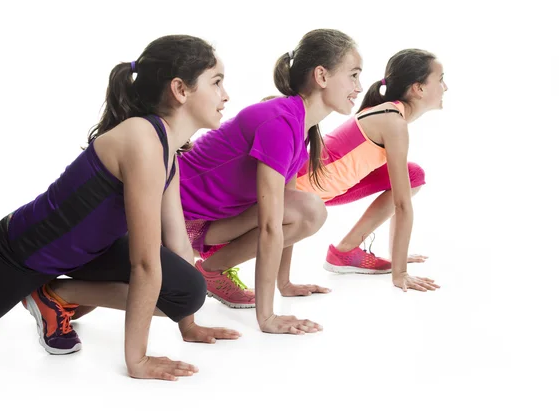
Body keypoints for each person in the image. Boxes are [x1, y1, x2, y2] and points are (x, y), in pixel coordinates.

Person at [0, 34, 239, 381]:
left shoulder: (168, 149)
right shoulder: (141, 140)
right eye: (216, 82)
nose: (225, 95)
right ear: (180, 89)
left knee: (188, 291)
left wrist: (189, 325)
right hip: (22, 254)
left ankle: (41, 291)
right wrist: (137, 360)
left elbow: (178, 242)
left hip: (89, 251)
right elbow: (145, 262)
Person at [179, 29, 362, 334]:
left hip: (209, 224)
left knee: (308, 209)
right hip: (175, 220)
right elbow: (269, 225)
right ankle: (212, 270)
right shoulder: (279, 123)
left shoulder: (298, 129)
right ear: (322, 76)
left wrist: (285, 283)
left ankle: (211, 272)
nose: (358, 87)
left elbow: (284, 214)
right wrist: (267, 317)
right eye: (354, 75)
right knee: (309, 209)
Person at [297, 48, 446, 292]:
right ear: (418, 88)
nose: (445, 87)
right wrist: (400, 273)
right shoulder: (393, 121)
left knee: (413, 175)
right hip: (305, 188)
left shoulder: (392, 113)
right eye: (440, 80)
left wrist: (397, 253)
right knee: (407, 185)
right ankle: (345, 251)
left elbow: (403, 190)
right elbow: (402, 203)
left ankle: (346, 250)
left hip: (330, 184)